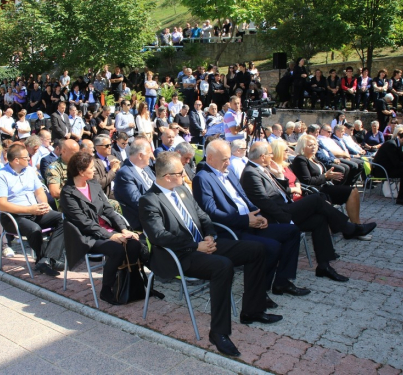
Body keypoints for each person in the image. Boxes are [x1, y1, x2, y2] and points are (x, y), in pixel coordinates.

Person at [139, 151, 280, 358]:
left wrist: (210, 236)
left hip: (202, 245)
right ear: (167, 176)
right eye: (180, 172)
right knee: (222, 266)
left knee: (256, 249)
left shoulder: (182, 190)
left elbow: (203, 217)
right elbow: (160, 236)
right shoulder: (149, 200)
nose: (185, 175)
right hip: (179, 255)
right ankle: (219, 333)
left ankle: (252, 310)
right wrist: (195, 246)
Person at [193, 139, 307, 300]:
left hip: (249, 222)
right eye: (224, 159)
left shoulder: (229, 172)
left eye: (228, 158)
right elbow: (211, 213)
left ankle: (281, 281)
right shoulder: (203, 178)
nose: (228, 162)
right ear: (210, 158)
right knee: (271, 247)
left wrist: (258, 214)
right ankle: (258, 292)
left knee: (292, 231)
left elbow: (244, 197)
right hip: (231, 230)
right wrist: (246, 220)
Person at [243, 140, 374, 280]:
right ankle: (349, 228)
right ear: (262, 156)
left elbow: (281, 191)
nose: (272, 156)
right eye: (270, 154)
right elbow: (265, 202)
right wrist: (287, 220)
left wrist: (280, 176)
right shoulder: (252, 172)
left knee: (319, 219)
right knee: (316, 199)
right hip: (278, 215)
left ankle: (324, 266)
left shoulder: (262, 168)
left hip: (286, 207)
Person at [61, 152, 141, 305]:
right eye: (91, 168)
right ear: (80, 171)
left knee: (135, 244)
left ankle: (128, 284)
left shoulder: (94, 184)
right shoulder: (68, 193)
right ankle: (106, 289)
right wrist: (110, 236)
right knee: (117, 250)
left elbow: (108, 210)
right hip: (86, 236)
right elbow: (83, 223)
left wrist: (123, 229)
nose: (94, 170)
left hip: (105, 231)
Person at [0, 143, 64, 276]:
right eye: (26, 157)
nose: (30, 159)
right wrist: (29, 209)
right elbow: (2, 205)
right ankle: (43, 260)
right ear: (16, 160)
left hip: (34, 211)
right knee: (34, 229)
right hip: (13, 216)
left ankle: (47, 259)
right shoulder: (1, 176)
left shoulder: (29, 171)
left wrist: (44, 204)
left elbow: (39, 191)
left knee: (63, 219)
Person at [291, 135, 368, 234]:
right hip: (314, 191)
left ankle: (357, 224)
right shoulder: (300, 160)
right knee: (346, 192)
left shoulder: (313, 158)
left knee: (352, 191)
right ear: (302, 147)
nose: (314, 147)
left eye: (315, 144)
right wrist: (326, 176)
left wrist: (330, 176)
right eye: (310, 145)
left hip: (324, 187)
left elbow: (322, 175)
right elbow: (307, 181)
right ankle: (354, 230)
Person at [113, 138, 155, 230]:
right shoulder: (124, 174)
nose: (151, 155)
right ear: (140, 155)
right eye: (149, 152)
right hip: (144, 221)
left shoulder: (146, 168)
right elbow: (138, 202)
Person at [373, 131, 403, 206]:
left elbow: (402, 159)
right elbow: (397, 163)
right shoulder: (391, 144)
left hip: (390, 168)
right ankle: (401, 198)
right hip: (382, 170)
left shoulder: (398, 144)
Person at [93, 134, 120, 199]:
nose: (110, 147)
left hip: (120, 191)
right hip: (107, 196)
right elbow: (99, 184)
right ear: (97, 147)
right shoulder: (93, 162)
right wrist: (113, 170)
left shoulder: (112, 158)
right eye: (107, 145)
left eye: (110, 145)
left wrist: (119, 170)